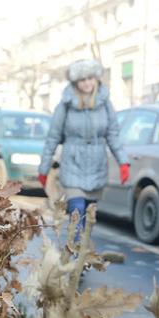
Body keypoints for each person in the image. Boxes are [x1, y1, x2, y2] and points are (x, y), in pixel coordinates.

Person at [38, 59, 130, 234]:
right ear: (75, 82)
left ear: (96, 79)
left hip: (97, 165)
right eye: (82, 79)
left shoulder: (105, 104)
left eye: (90, 78)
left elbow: (113, 135)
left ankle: (82, 253)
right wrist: (44, 169)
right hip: (73, 163)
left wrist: (123, 162)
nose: (87, 83)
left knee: (89, 216)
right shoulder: (65, 105)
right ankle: (75, 247)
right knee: (76, 209)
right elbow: (52, 137)